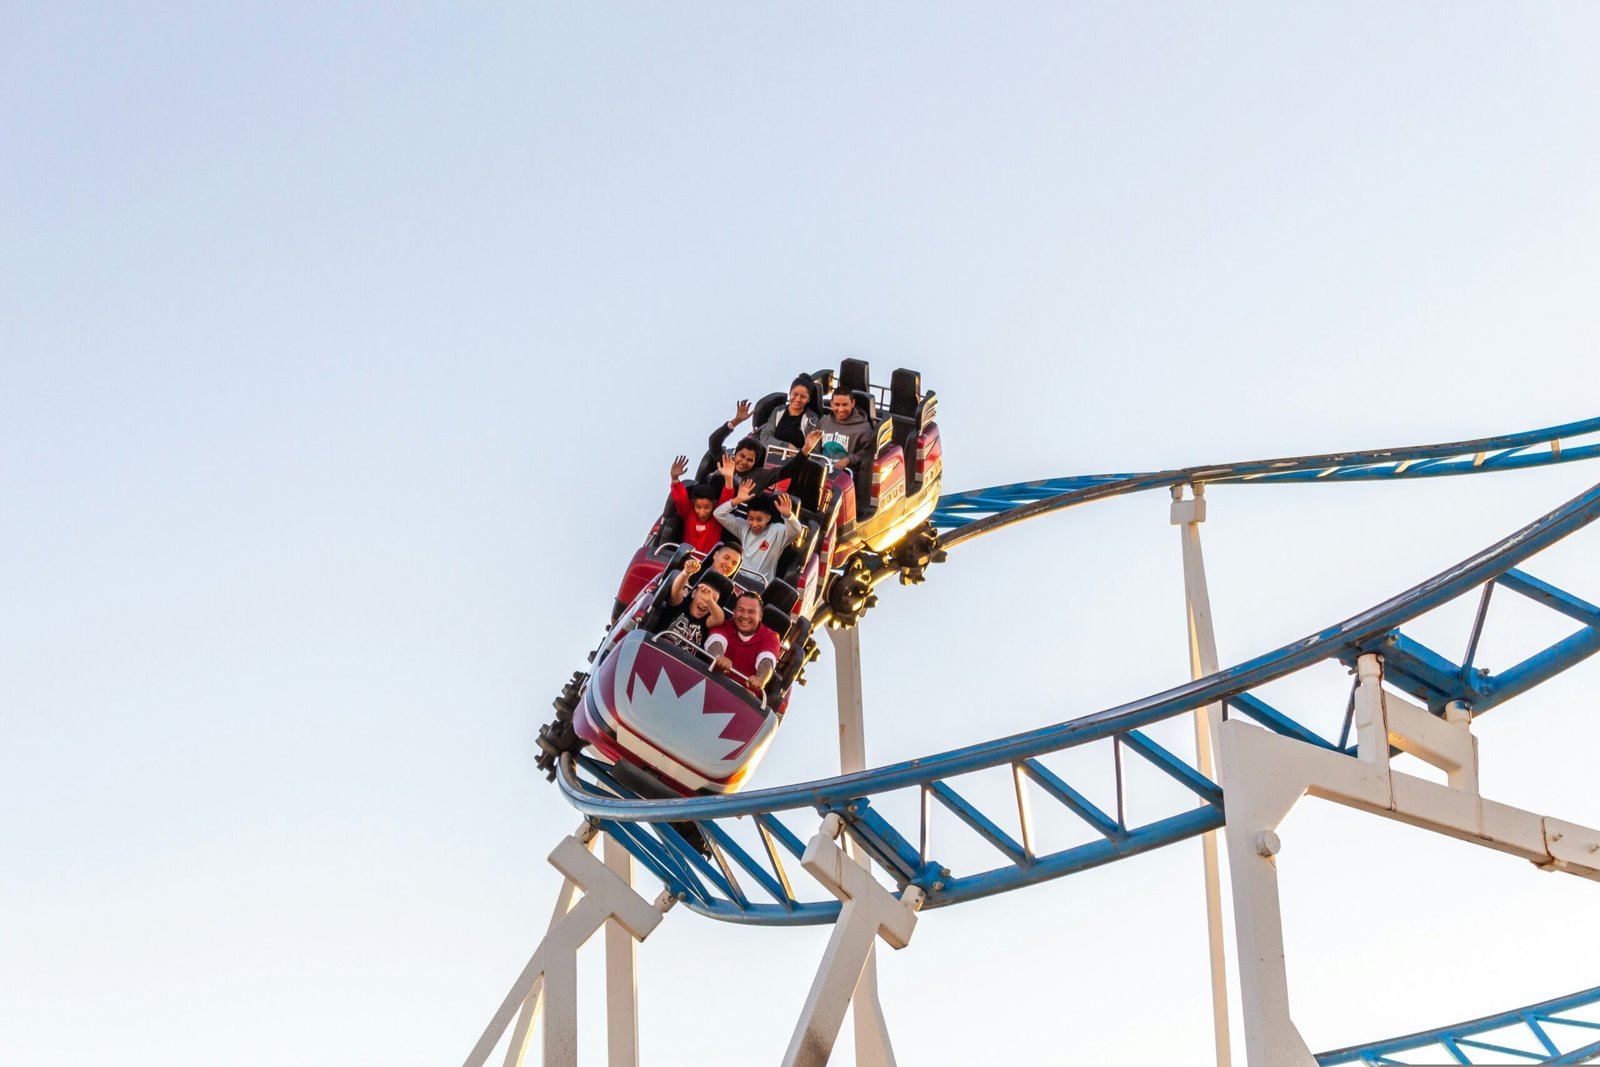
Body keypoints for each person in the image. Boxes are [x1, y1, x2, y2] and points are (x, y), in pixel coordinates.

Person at [713, 480, 803, 581]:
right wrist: (737, 500)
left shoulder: (777, 531)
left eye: (759, 520)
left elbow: (796, 530)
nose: (754, 524)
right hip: (737, 578)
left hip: (761, 584)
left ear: (768, 518)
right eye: (751, 519)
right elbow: (718, 514)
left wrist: (787, 515)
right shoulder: (743, 526)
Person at [705, 591, 782, 693]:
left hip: (744, 697)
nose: (745, 616)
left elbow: (767, 661)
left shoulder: (771, 637)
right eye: (741, 610)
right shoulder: (724, 625)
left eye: (751, 612)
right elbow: (715, 642)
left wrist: (760, 679)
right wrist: (719, 657)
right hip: (711, 683)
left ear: (760, 616)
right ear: (734, 612)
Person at [650, 562, 730, 646]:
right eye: (703, 596)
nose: (706, 603)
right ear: (694, 593)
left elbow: (719, 619)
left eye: (713, 601)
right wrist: (686, 573)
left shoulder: (706, 622)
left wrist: (710, 601)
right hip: (660, 648)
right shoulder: (680, 605)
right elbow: (676, 589)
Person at [667, 455, 732, 554]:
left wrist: (729, 479)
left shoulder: (718, 516)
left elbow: (727, 500)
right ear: (693, 503)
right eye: (698, 507)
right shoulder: (688, 512)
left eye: (707, 507)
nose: (702, 512)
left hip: (706, 564)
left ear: (714, 504)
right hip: (685, 560)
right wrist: (674, 478)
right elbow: (680, 497)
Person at [816, 389, 873, 476]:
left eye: (845, 405)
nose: (841, 409)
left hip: (845, 476)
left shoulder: (864, 427)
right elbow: (814, 447)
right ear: (831, 403)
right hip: (820, 471)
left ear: (853, 403)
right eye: (837, 404)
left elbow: (866, 454)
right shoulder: (824, 421)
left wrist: (848, 460)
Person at [755, 376, 820, 451]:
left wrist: (794, 452)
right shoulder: (778, 411)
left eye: (803, 397)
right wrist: (786, 446)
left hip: (798, 460)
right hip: (771, 457)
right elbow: (765, 437)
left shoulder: (812, 419)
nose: (798, 399)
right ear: (789, 393)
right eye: (795, 394)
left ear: (808, 399)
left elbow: (814, 450)